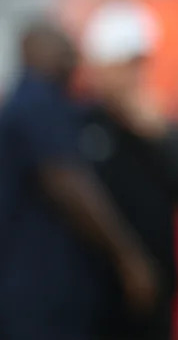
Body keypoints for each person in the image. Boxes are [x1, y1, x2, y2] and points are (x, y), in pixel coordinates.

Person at [0, 19, 157, 340]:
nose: (72, 55)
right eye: (63, 47)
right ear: (35, 50)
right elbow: (67, 184)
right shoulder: (37, 102)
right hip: (41, 293)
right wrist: (128, 256)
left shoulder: (59, 105)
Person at [78, 0, 178, 340]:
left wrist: (164, 137)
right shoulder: (79, 124)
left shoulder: (161, 126)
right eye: (124, 64)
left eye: (138, 63)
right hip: (93, 287)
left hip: (158, 284)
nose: (134, 75)